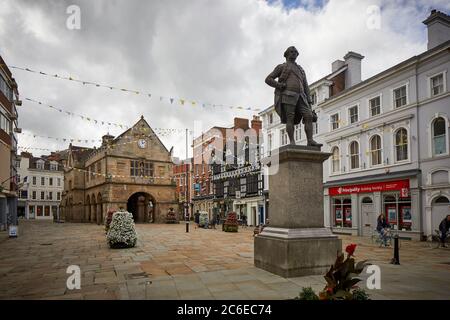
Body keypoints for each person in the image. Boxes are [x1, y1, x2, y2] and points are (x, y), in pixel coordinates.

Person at [265, 46, 321, 147]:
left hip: (301, 96)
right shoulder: (281, 67)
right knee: (289, 119)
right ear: (286, 54)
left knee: (308, 116)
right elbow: (268, 79)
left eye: (295, 52)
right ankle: (292, 141)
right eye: (291, 51)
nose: (294, 53)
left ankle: (310, 140)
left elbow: (305, 85)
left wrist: (309, 100)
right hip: (288, 95)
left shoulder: (300, 69)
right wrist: (279, 85)